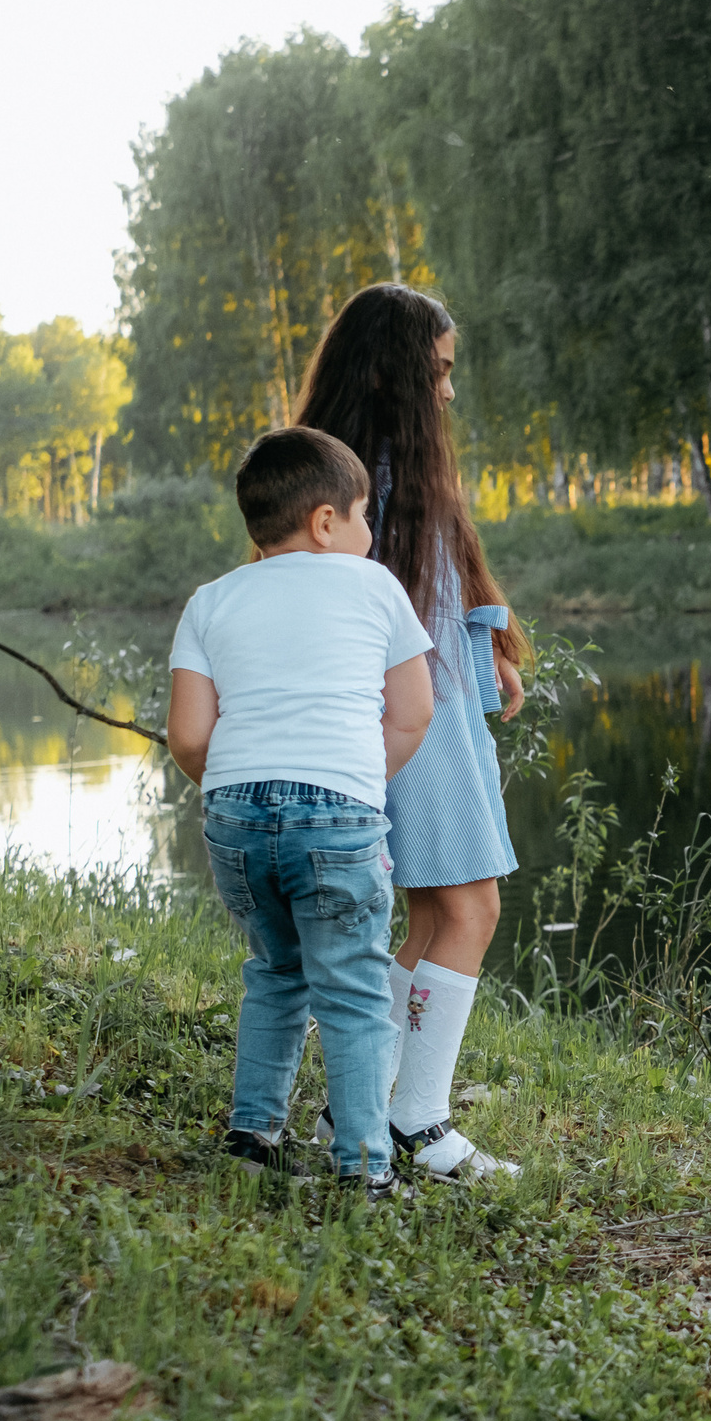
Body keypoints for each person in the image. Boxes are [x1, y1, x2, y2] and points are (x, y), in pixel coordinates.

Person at [295, 284, 526, 1184]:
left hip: (427, 701)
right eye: (438, 370)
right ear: (398, 370)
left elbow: (436, 578)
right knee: (470, 907)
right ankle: (418, 1119)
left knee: (438, 909)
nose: (449, 390)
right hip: (409, 712)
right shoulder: (364, 480)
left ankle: (362, 1103)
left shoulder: (359, 469)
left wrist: (490, 647)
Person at [169, 427, 435, 1199]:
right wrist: (351, 784)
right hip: (339, 818)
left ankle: (252, 1135)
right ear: (326, 522)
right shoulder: (375, 585)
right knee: (352, 989)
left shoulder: (210, 600)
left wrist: (235, 795)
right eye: (363, 516)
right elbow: (414, 713)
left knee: (276, 970)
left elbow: (189, 735)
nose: (369, 533)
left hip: (236, 817)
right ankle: (362, 1166)